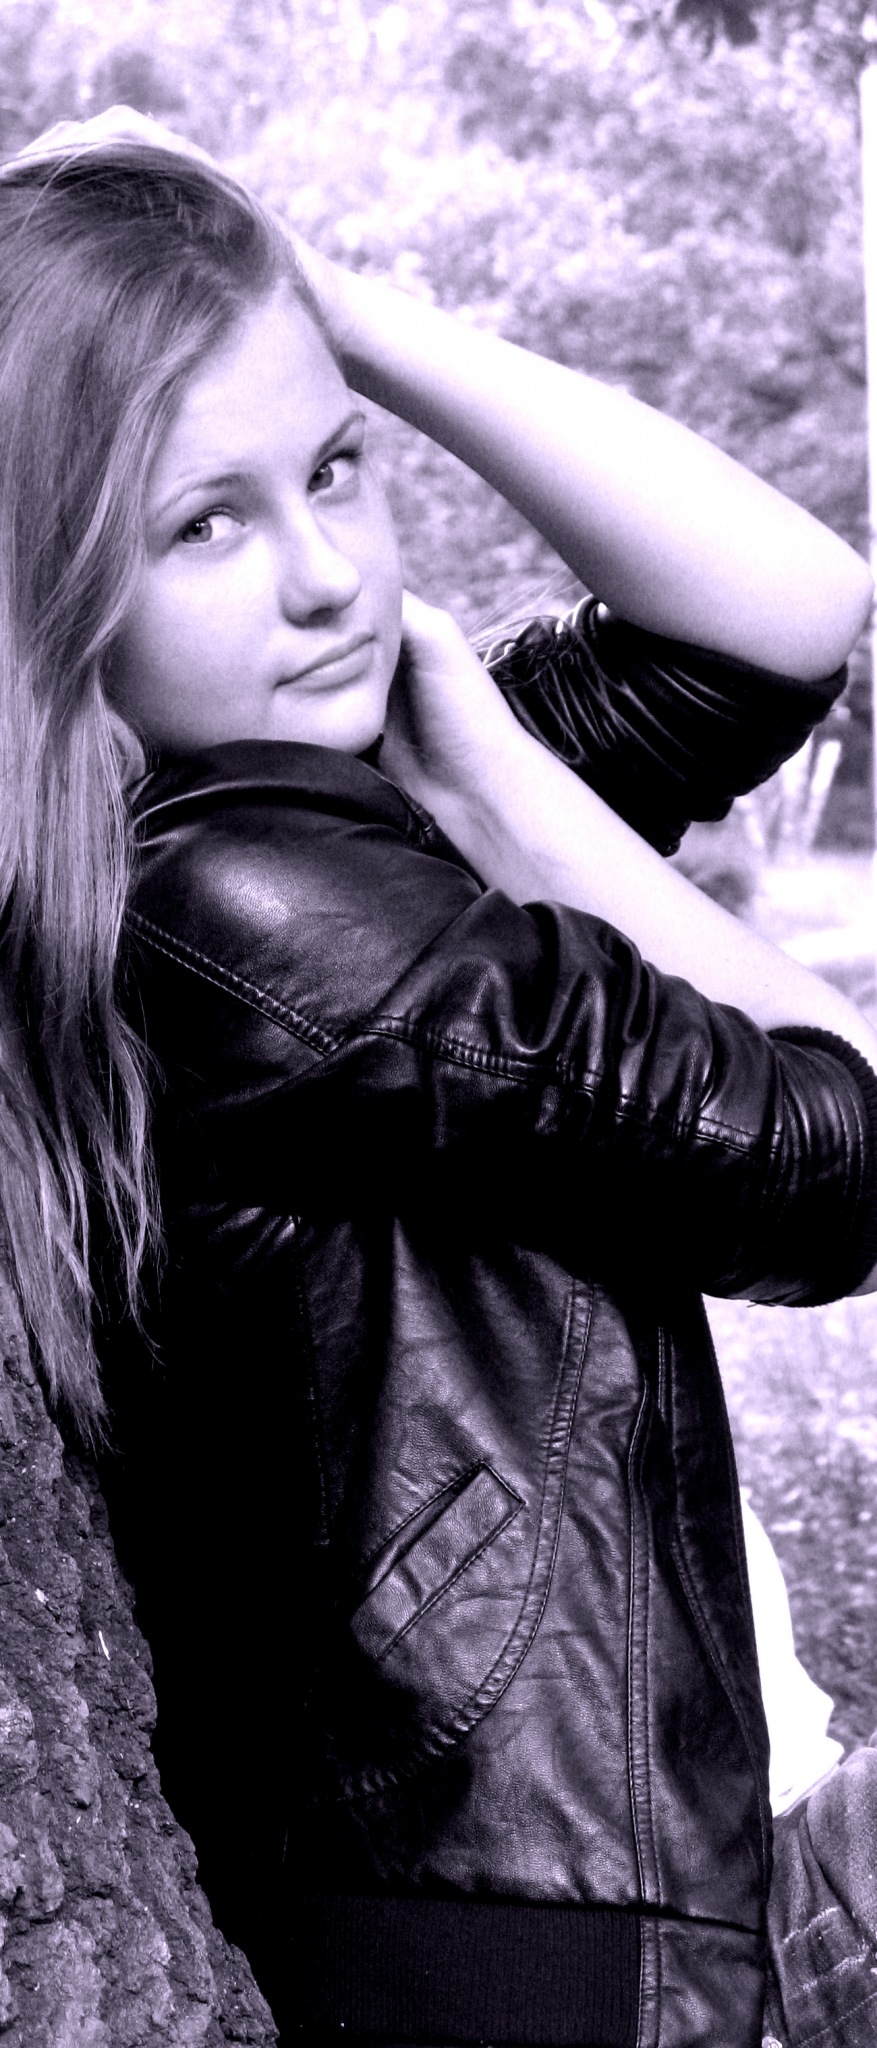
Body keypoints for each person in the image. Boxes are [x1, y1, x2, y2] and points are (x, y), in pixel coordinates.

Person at [1, 109, 877, 2048]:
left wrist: (325, 302)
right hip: (558, 1937)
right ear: (50, 586)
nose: (327, 578)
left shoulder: (271, 830)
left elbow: (781, 621)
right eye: (204, 522)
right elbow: (840, 1159)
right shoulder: (246, 905)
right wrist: (499, 778)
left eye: (335, 467)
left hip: (575, 1881)